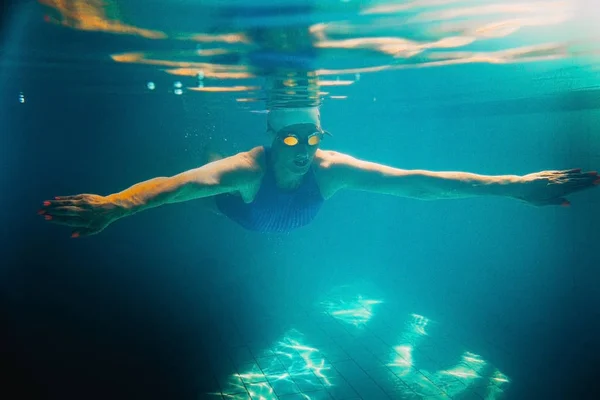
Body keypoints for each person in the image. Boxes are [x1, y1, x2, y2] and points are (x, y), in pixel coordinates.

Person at [39, 106, 599, 237]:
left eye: (312, 137)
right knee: (202, 189)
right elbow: (171, 188)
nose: (302, 147)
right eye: (289, 137)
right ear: (270, 138)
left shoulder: (331, 169)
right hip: (245, 216)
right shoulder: (246, 169)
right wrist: (115, 204)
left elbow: (420, 183)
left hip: (292, 218)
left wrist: (516, 188)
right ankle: (206, 147)